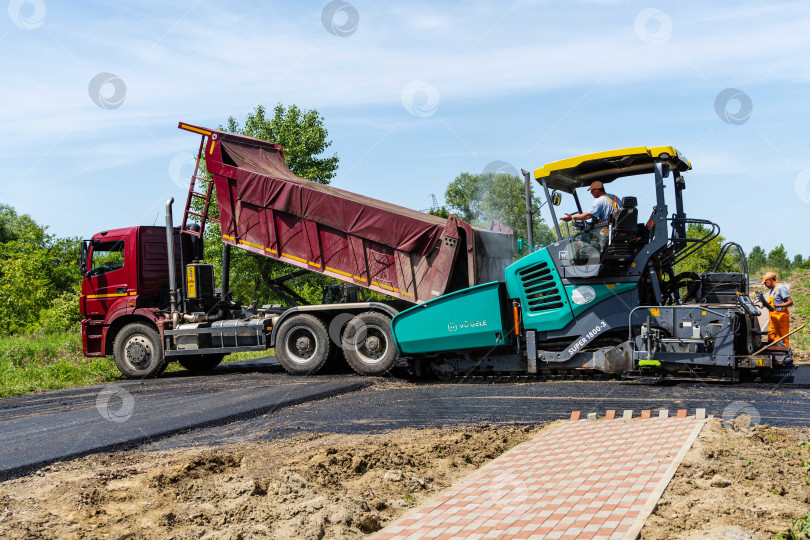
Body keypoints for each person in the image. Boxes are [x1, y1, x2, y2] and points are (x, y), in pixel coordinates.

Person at [761, 272, 793, 346]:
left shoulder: (781, 288)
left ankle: (785, 354)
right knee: (772, 338)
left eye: (765, 283)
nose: (765, 285)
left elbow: (790, 302)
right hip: (773, 319)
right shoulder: (772, 290)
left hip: (781, 318)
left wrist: (778, 306)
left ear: (770, 280)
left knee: (782, 338)